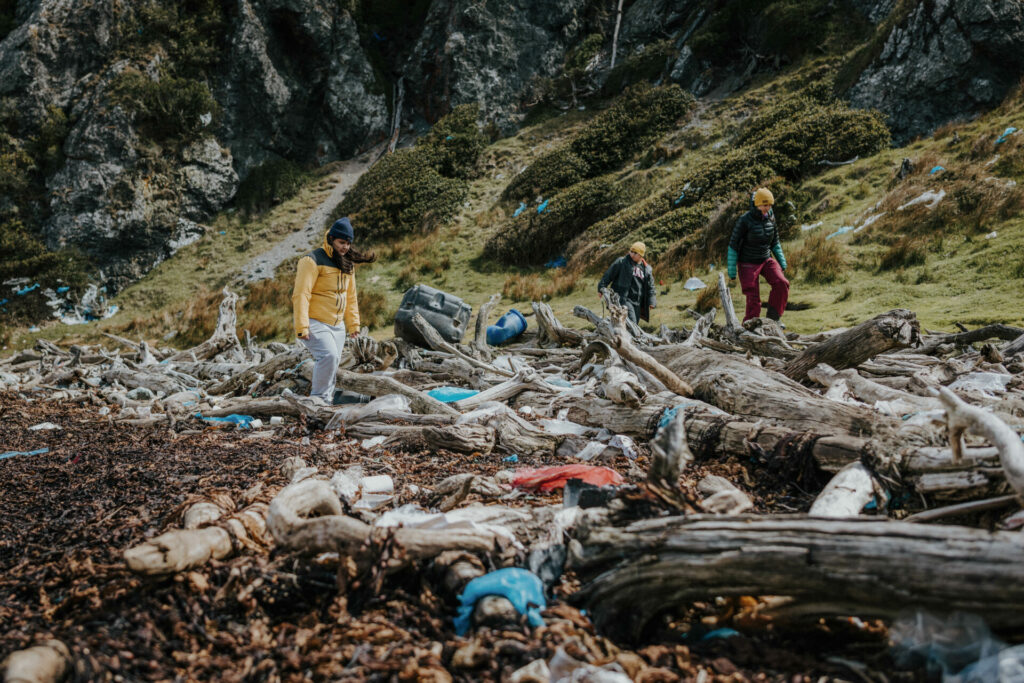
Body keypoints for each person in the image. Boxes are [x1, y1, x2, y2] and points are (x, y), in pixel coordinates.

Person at [292, 217, 375, 404]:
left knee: (334, 362)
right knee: (328, 356)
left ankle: (327, 400)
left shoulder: (347, 264)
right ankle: (317, 399)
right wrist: (302, 326)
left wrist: (353, 324)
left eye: (348, 243)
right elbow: (301, 295)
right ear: (331, 239)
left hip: (337, 325)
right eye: (341, 242)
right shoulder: (311, 260)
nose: (345, 247)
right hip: (314, 321)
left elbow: (351, 296)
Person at [727, 187, 789, 323]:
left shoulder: (771, 218)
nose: (768, 208)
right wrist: (732, 271)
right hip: (747, 263)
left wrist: (781, 262)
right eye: (765, 205)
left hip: (766, 259)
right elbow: (733, 245)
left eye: (770, 205)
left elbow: (775, 241)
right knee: (753, 298)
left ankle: (773, 319)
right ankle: (750, 325)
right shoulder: (745, 220)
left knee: (782, 283)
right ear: (757, 204)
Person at [597, 241, 656, 324]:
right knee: (632, 323)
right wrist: (601, 288)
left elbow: (651, 286)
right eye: (631, 251)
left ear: (641, 255)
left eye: (635, 253)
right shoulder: (622, 262)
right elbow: (608, 275)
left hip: (638, 302)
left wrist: (651, 301)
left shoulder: (647, 269)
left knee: (634, 323)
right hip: (624, 299)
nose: (632, 254)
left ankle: (622, 336)